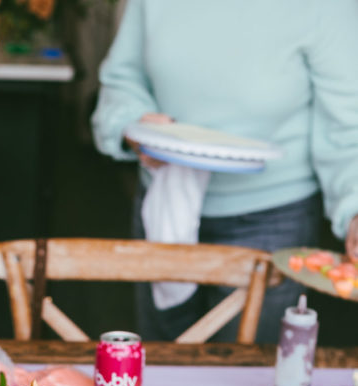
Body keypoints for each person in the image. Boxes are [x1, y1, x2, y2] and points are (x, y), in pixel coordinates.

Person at [91, 0, 358, 344]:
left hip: (272, 220)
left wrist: (355, 206)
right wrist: (132, 124)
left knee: (248, 383)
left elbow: (349, 125)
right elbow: (122, 80)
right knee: (159, 368)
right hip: (164, 203)